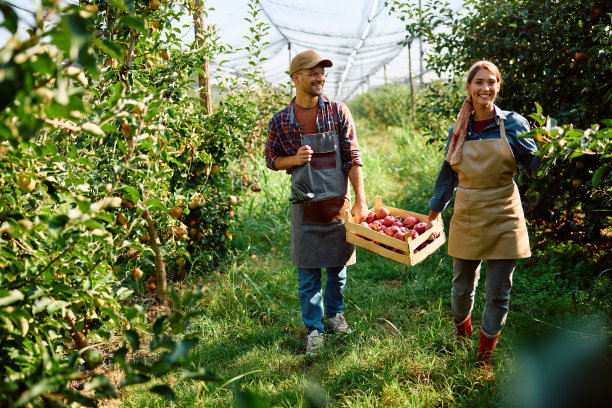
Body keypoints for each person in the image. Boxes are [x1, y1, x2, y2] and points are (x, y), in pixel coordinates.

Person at [426, 60, 541, 378]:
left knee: (499, 291)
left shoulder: (514, 124)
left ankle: (483, 359)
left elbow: (533, 167)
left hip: (505, 212)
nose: (485, 88)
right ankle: (462, 335)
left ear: (499, 86)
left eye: (491, 82)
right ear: (469, 87)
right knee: (462, 286)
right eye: (479, 82)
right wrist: (432, 218)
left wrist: (547, 153)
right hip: (467, 211)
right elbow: (446, 177)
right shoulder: (459, 129)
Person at [264, 50, 368, 357]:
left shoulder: (337, 112)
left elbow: (353, 159)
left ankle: (335, 315)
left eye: (323, 73)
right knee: (308, 270)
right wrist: (293, 160)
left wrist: (360, 200)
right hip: (305, 206)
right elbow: (271, 160)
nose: (320, 77)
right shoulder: (281, 121)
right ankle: (314, 329)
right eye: (313, 72)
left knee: (338, 267)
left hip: (338, 202)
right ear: (296, 78)